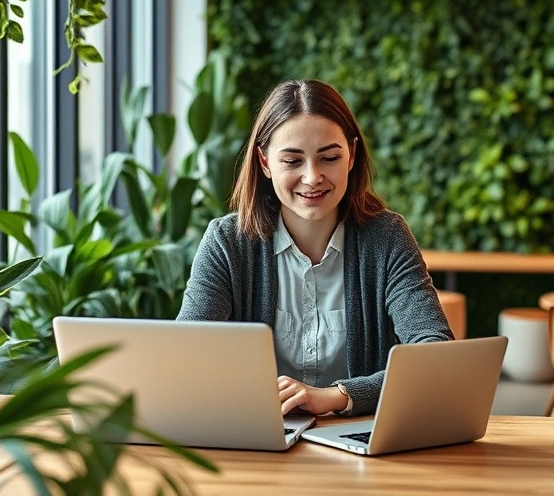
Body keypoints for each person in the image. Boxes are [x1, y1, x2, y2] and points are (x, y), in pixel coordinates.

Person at [177, 79, 453, 417]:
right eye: (292, 161)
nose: (312, 177)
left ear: (351, 155)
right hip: (256, 440)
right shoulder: (226, 242)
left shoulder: (387, 238)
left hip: (364, 448)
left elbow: (435, 356)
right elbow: (188, 358)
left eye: (329, 158)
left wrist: (336, 396)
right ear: (264, 163)